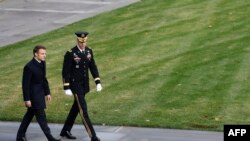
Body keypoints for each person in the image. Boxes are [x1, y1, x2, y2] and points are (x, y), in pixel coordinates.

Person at [60, 31, 102, 141]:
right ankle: (93, 136)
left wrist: (97, 81)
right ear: (77, 40)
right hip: (75, 86)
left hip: (84, 86)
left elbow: (93, 67)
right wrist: (66, 87)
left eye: (84, 42)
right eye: (81, 42)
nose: (83, 44)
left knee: (76, 108)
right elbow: (66, 72)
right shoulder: (71, 53)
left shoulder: (89, 51)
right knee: (83, 111)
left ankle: (65, 131)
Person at [16, 45, 61, 141]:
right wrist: (27, 99)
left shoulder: (42, 63)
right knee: (42, 118)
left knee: (29, 116)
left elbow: (43, 79)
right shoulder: (29, 67)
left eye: (45, 53)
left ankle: (20, 136)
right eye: (42, 53)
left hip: (40, 94)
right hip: (34, 96)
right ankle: (50, 138)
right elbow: (25, 84)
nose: (45, 55)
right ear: (36, 54)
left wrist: (47, 92)